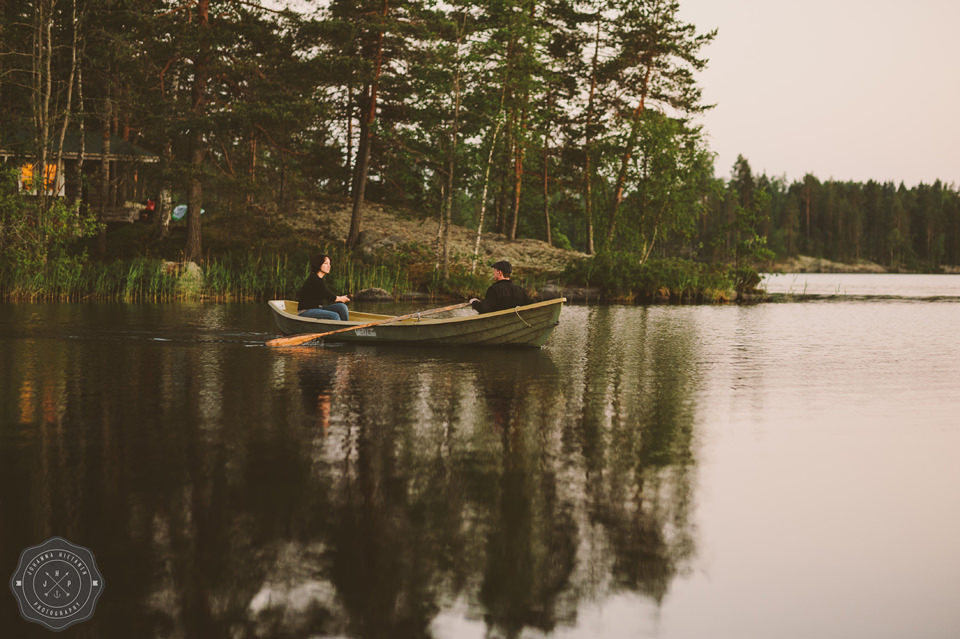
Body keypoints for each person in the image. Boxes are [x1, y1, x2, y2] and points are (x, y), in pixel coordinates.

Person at [297, 254, 350, 321]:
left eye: (329, 264)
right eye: (326, 263)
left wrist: (341, 298)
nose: (329, 266)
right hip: (305, 311)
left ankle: (345, 327)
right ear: (318, 265)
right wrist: (341, 298)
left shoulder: (319, 279)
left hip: (317, 309)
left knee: (342, 307)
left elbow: (326, 293)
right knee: (334, 315)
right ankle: (338, 330)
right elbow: (327, 295)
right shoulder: (314, 279)